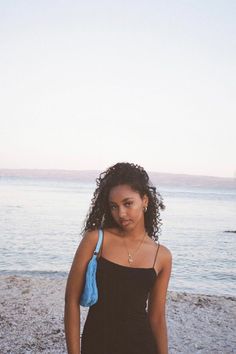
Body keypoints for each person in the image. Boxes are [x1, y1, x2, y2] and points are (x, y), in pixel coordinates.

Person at [64, 162, 172, 354]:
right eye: (114, 206)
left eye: (128, 203)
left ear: (145, 201)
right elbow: (71, 301)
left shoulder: (161, 256)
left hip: (142, 346)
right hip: (97, 345)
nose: (120, 213)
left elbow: (156, 317)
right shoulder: (96, 240)